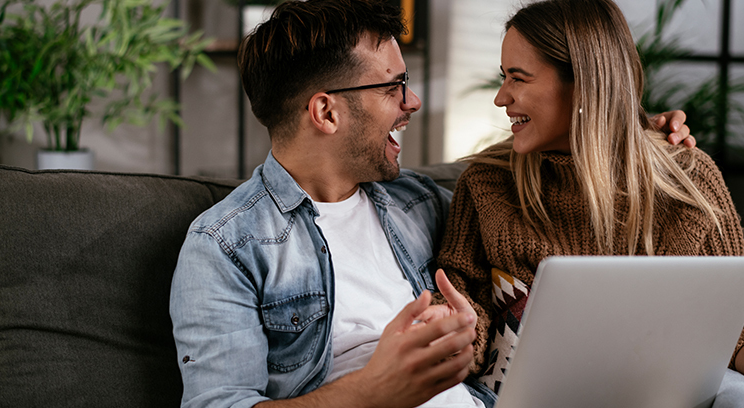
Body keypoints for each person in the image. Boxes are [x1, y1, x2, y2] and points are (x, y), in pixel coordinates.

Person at [169, 0, 693, 407]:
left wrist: (625, 133)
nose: (412, 102)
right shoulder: (224, 246)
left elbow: (534, 180)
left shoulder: (422, 202)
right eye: (394, 86)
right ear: (326, 112)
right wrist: (374, 392)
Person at [436, 0, 744, 407]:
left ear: (585, 85)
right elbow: (462, 298)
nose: (501, 98)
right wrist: (454, 331)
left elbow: (735, 317)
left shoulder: (686, 178)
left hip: (676, 392)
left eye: (518, 78)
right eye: (504, 77)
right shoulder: (488, 184)